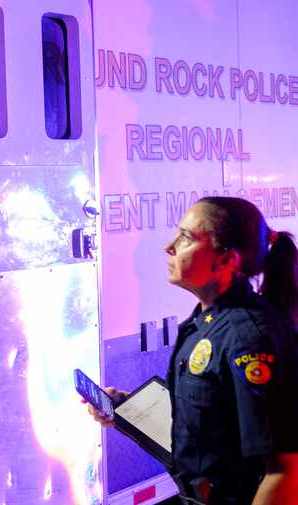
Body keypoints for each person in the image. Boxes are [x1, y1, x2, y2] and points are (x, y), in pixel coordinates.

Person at [88, 197, 298, 504]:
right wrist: (123, 407)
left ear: (227, 261)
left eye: (186, 238)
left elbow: (284, 473)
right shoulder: (205, 321)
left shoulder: (250, 339)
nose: (169, 247)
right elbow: (206, 421)